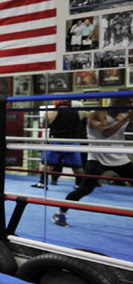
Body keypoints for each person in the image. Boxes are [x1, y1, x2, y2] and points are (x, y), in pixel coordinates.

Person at [52, 97, 133, 227]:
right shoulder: (97, 113)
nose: (130, 105)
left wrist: (127, 117)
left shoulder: (123, 114)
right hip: (97, 158)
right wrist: (126, 119)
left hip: (119, 157)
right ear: (116, 101)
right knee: (85, 189)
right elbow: (105, 132)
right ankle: (60, 212)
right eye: (128, 102)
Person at [32, 100, 83, 189]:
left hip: (55, 140)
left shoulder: (52, 113)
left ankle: (42, 183)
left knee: (46, 163)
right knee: (77, 166)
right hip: (72, 142)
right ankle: (79, 184)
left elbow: (44, 125)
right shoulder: (79, 112)